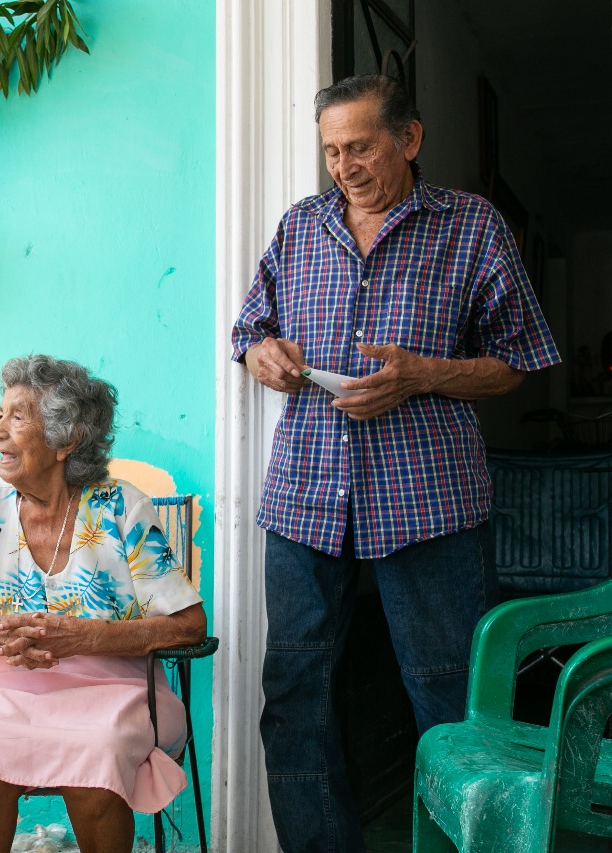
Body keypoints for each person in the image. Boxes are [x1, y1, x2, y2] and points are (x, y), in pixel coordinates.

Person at [231, 74, 560, 852]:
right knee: (295, 695)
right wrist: (264, 355)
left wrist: (422, 373)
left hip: (430, 501)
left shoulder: (471, 226)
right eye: (331, 151)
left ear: (408, 140)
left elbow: (518, 360)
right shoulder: (300, 227)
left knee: (453, 697)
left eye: (360, 147)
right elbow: (249, 329)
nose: (344, 165)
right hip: (307, 494)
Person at [0, 355, 207, 853]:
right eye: (0, 414)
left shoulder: (119, 505)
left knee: (98, 748)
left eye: (17, 417)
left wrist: (87, 636)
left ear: (66, 440)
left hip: (115, 689)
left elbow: (189, 625)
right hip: (9, 686)